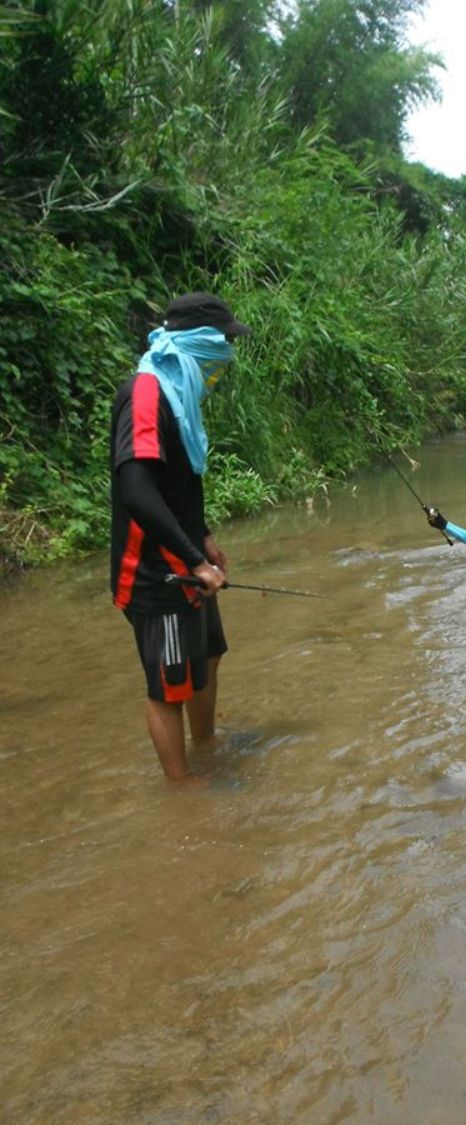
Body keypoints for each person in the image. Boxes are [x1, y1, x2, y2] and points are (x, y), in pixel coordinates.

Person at [110, 292, 251, 783]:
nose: (225, 358)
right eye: (222, 345)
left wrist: (204, 539)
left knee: (208, 654)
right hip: (156, 571)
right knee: (169, 684)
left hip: (187, 559)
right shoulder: (147, 392)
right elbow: (137, 489)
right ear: (198, 342)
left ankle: (207, 745)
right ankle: (183, 787)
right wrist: (193, 563)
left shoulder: (179, 391)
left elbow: (177, 482)